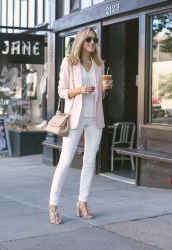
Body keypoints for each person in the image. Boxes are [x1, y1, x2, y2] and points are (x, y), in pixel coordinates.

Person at [49, 27, 113, 224]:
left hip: (94, 117)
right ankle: (53, 205)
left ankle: (82, 202)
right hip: (75, 118)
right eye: (88, 39)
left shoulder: (99, 64)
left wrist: (103, 89)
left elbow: (99, 96)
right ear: (80, 41)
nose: (92, 43)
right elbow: (61, 91)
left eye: (94, 39)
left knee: (90, 161)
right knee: (65, 161)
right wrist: (79, 90)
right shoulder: (69, 62)